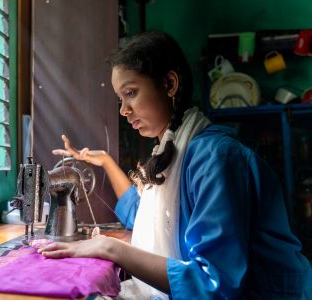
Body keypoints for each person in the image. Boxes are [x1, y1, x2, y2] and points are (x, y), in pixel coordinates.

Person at [38, 31, 312, 299]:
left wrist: (112, 249)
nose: (124, 110)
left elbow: (214, 284)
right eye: (121, 99)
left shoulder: (213, 158)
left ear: (169, 84)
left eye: (131, 93)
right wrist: (107, 162)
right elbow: (140, 215)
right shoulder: (171, 150)